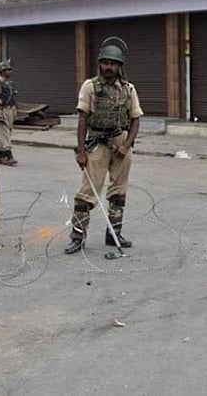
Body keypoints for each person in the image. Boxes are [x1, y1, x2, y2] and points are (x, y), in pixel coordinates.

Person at [64, 37, 143, 254]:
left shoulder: (128, 89)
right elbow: (82, 119)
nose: (109, 67)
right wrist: (81, 151)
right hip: (97, 142)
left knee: (118, 191)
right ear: (100, 63)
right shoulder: (90, 87)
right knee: (87, 192)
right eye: (105, 63)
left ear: (119, 66)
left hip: (120, 142)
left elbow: (136, 119)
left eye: (113, 64)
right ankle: (77, 236)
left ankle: (114, 233)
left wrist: (126, 145)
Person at [0, 59, 19, 166]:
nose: (10, 72)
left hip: (10, 110)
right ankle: (9, 155)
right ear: (2, 71)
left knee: (7, 133)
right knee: (5, 133)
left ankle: (1, 156)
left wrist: (15, 111)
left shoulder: (9, 84)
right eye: (7, 70)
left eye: (10, 70)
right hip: (1, 110)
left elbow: (13, 98)